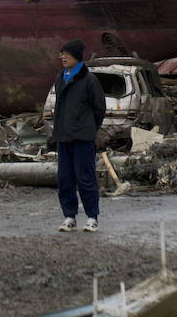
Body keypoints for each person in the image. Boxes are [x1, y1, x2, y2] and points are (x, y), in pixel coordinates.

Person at [51, 38, 105, 232]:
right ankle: (69, 217)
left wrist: (89, 129)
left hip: (82, 138)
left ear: (76, 56)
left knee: (86, 178)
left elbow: (99, 108)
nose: (63, 57)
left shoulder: (89, 80)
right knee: (65, 179)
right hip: (63, 137)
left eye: (67, 53)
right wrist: (56, 132)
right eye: (62, 54)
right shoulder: (60, 78)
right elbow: (58, 108)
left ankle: (92, 217)